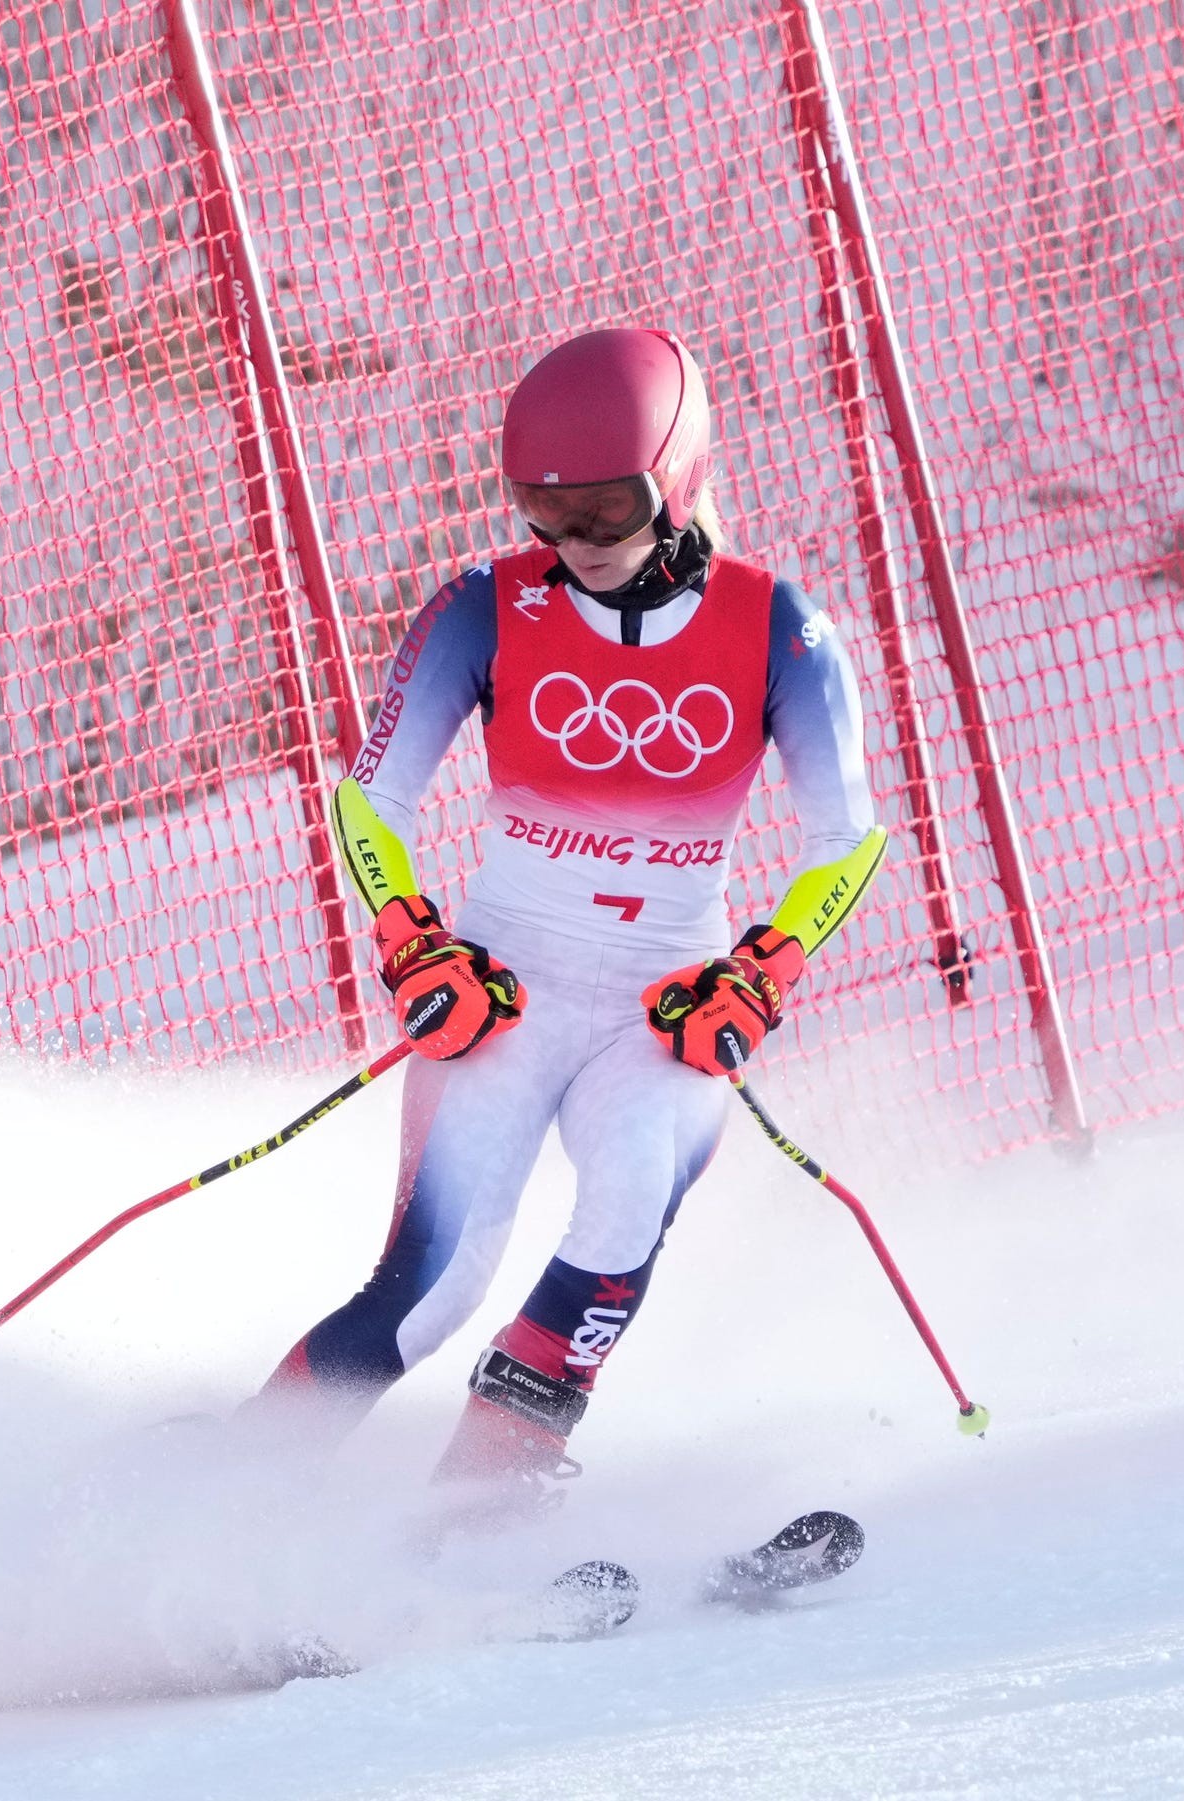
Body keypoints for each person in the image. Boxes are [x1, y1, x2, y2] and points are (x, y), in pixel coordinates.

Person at [249, 327, 886, 1515]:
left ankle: (482, 1502)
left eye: (603, 509)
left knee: (626, 1198)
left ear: (679, 480)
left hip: (664, 1002)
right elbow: (369, 797)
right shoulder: (481, 607)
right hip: (509, 984)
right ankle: (229, 1493)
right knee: (430, 1289)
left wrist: (761, 973)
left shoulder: (778, 628)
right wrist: (410, 940)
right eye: (542, 512)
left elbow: (846, 836)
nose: (572, 545)